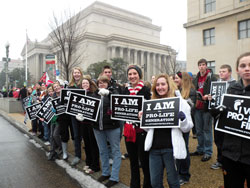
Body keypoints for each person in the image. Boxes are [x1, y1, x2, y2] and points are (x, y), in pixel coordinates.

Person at [141, 74, 193, 188]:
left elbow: (187, 128)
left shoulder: (181, 103)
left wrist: (183, 119)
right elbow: (147, 129)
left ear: (169, 85)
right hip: (154, 149)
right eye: (157, 85)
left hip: (171, 149)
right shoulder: (151, 103)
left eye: (163, 84)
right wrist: (143, 119)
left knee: (173, 182)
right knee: (155, 183)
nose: (160, 87)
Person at [217, 52, 250, 188]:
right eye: (243, 65)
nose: (247, 68)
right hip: (230, 154)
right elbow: (224, 123)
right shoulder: (231, 90)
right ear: (237, 70)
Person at [122, 65, 152, 188]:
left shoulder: (145, 91)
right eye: (130, 74)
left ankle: (147, 185)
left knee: (144, 161)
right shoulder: (125, 91)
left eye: (135, 73)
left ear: (139, 75)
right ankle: (134, 184)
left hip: (141, 131)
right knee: (133, 161)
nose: (132, 76)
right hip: (128, 130)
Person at [91, 75, 121, 187]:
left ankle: (114, 177)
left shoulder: (114, 92)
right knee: (102, 150)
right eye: (99, 83)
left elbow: (119, 103)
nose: (101, 84)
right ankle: (105, 173)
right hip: (98, 127)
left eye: (104, 82)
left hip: (112, 127)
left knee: (115, 151)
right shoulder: (95, 94)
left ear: (108, 83)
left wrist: (109, 94)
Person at [208, 64, 236, 170]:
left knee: (228, 140)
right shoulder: (215, 85)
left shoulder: (235, 85)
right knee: (218, 140)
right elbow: (213, 101)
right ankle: (220, 160)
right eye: (220, 71)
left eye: (223, 71)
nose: (221, 73)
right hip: (217, 116)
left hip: (229, 117)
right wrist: (210, 99)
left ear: (229, 72)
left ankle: (229, 162)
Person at [190, 58, 217, 162]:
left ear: (206, 66)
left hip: (207, 107)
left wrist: (209, 96)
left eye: (203, 65)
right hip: (197, 107)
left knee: (207, 130)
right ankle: (200, 149)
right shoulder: (196, 78)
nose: (201, 67)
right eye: (200, 65)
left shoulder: (212, 77)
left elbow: (216, 91)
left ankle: (208, 152)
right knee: (199, 130)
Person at [174, 71, 196, 185]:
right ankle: (178, 172)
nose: (175, 80)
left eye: (177, 78)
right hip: (176, 124)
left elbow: (191, 108)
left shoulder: (191, 91)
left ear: (184, 79)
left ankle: (185, 175)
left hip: (185, 124)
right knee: (177, 147)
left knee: (184, 149)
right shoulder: (177, 90)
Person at [76, 76, 100, 174]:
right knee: (86, 144)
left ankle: (95, 165)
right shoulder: (79, 95)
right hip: (83, 123)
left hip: (91, 124)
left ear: (89, 85)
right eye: (83, 84)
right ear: (81, 86)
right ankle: (88, 162)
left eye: (86, 83)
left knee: (93, 144)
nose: (85, 85)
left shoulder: (94, 94)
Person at [68, 67, 84, 166]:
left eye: (78, 72)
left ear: (81, 73)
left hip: (84, 114)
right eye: (75, 73)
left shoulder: (84, 84)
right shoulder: (70, 86)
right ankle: (77, 155)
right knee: (76, 135)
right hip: (74, 114)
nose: (76, 74)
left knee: (86, 136)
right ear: (72, 74)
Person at [47, 82, 62, 161]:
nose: (56, 88)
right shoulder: (53, 97)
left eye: (57, 86)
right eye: (54, 87)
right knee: (51, 136)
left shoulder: (64, 94)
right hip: (53, 119)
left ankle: (61, 148)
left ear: (60, 86)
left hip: (61, 119)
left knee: (55, 135)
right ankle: (52, 152)